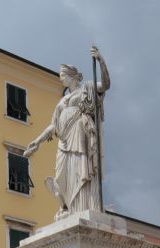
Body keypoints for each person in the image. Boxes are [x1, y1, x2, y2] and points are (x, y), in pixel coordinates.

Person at [24, 46, 109, 219]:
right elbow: (53, 126)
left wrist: (101, 61)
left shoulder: (87, 88)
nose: (60, 78)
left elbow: (106, 85)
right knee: (61, 176)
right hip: (64, 141)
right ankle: (68, 207)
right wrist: (37, 142)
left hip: (80, 136)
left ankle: (83, 206)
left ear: (72, 76)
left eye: (62, 75)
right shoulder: (62, 100)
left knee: (81, 170)